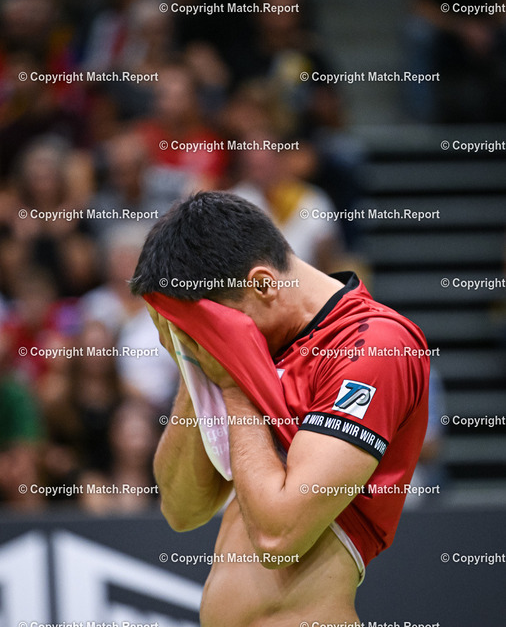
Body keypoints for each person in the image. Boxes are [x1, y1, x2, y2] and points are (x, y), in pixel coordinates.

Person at [129, 191, 430, 626]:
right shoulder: (262, 345)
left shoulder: (372, 346)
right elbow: (182, 510)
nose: (214, 342)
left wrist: (232, 386)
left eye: (212, 327)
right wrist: (194, 365)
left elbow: (279, 536)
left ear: (264, 285)